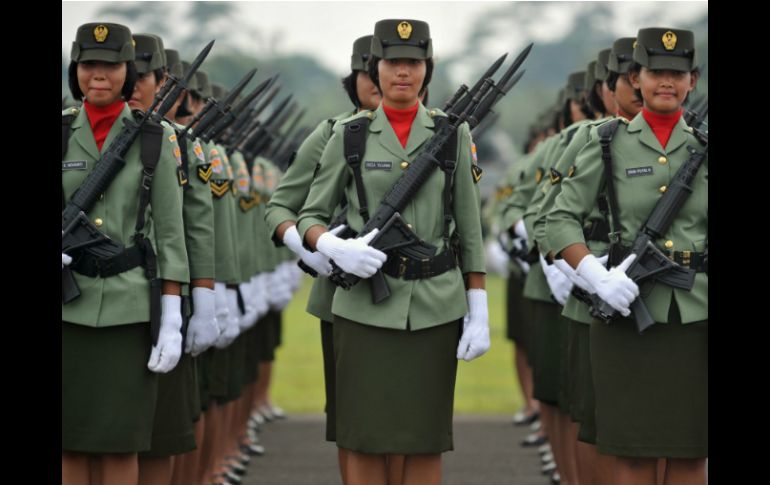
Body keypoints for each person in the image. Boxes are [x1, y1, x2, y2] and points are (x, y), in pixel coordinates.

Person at [297, 19, 488, 485]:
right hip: (364, 308)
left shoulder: (453, 134)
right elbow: (309, 214)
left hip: (436, 307)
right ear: (375, 69)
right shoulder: (351, 134)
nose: (403, 71)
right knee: (363, 438)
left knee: (424, 439)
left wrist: (478, 306)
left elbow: (469, 227)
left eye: (414, 63)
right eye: (393, 62)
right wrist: (333, 246)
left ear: (427, 69)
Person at [546, 27, 707, 485]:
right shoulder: (606, 141)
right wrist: (594, 275)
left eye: (677, 73)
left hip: (697, 317)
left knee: (690, 453)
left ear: (693, 81)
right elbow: (559, 219)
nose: (667, 82)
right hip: (626, 315)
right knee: (632, 455)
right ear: (635, 78)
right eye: (656, 72)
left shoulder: (703, 146)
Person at [62, 22, 189, 485]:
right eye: (89, 64)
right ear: (75, 69)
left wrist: (172, 313)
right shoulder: (62, 131)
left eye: (111, 65)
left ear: (127, 71)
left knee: (121, 443)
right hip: (66, 308)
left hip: (129, 309)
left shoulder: (154, 137)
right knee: (69, 442)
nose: (99, 74)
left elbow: (171, 233)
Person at [264, 33, 381, 483]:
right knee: (351, 420)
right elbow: (281, 206)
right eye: (368, 72)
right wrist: (310, 247)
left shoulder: (437, 134)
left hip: (421, 292)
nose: (378, 80)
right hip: (342, 293)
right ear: (353, 80)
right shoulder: (333, 133)